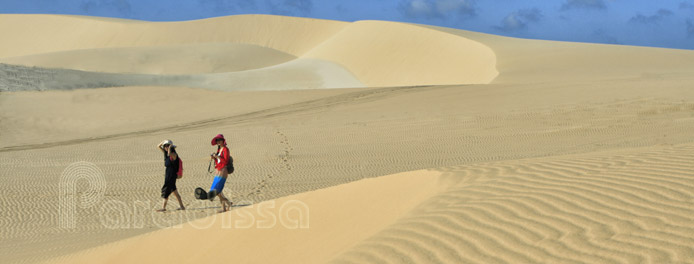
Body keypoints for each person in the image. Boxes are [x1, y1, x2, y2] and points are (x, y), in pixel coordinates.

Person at [156, 140, 185, 212]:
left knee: (166, 191)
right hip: (168, 175)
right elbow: (158, 146)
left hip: (171, 176)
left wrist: (170, 147)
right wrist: (164, 141)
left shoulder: (174, 155)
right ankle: (182, 206)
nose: (166, 147)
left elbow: (169, 153)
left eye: (167, 146)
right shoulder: (166, 154)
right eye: (165, 146)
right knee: (175, 191)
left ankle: (163, 207)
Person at [209, 134, 233, 212]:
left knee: (217, 190)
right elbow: (218, 162)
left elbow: (225, 161)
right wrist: (214, 158)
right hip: (218, 170)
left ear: (223, 141)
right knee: (219, 191)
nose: (218, 142)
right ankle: (224, 208)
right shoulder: (219, 150)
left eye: (220, 140)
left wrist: (217, 157)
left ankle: (228, 203)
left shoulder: (226, 149)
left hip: (223, 171)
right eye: (217, 140)